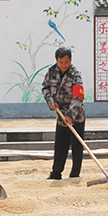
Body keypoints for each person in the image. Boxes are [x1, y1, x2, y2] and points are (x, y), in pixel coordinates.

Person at [42, 47, 86, 180]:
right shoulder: (51, 71)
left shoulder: (75, 74)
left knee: (76, 147)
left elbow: (78, 96)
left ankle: (74, 175)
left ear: (70, 60)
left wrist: (70, 115)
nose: (64, 65)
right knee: (60, 146)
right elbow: (45, 88)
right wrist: (50, 101)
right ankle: (56, 173)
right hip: (60, 116)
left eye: (66, 62)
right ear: (57, 60)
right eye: (61, 62)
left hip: (76, 117)